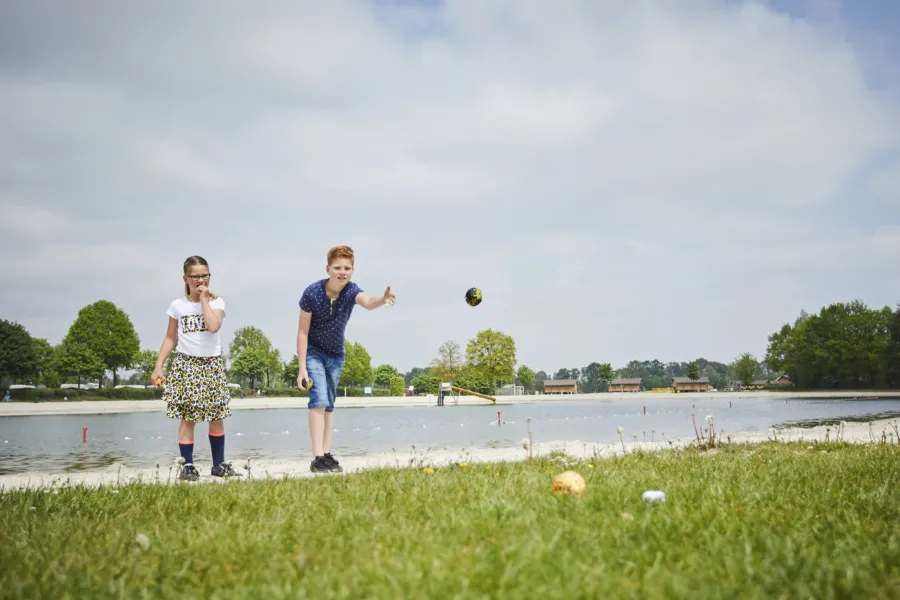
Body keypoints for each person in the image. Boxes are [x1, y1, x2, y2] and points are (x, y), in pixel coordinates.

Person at [297, 245, 396, 473]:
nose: (342, 272)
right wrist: (302, 368)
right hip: (314, 352)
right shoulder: (311, 293)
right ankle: (317, 457)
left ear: (352, 270)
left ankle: (327, 453)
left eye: (347, 268)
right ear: (328, 268)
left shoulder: (351, 291)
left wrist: (383, 298)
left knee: (329, 405)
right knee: (318, 400)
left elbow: (369, 302)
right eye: (337, 268)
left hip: (336, 355)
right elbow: (302, 332)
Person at [151, 255, 241, 482]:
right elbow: (170, 338)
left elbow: (213, 326)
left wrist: (204, 300)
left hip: (211, 363)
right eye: (196, 276)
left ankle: (218, 464)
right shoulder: (177, 306)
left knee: (216, 415)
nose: (200, 280)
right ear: (186, 278)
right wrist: (158, 366)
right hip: (187, 364)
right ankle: (188, 465)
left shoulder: (217, 302)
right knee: (188, 417)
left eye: (205, 275)